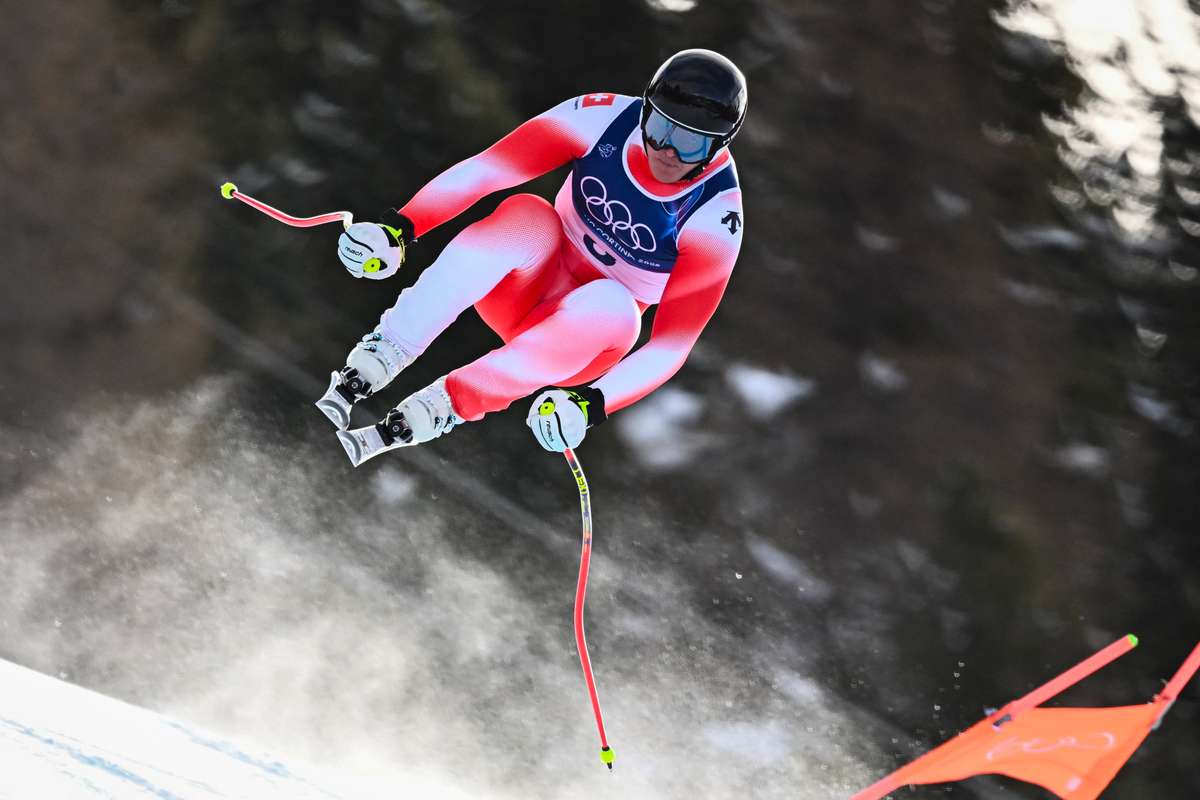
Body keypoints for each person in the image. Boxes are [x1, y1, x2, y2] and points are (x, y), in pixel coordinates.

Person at [318, 48, 748, 466]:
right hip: (523, 287)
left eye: (691, 144)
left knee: (616, 308)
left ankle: (443, 405)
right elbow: (489, 169)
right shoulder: (602, 119)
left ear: (718, 147)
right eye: (661, 128)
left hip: (580, 341)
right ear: (644, 111)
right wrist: (401, 228)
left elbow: (671, 346)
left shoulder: (715, 216)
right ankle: (384, 351)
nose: (668, 151)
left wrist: (590, 405)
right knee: (529, 214)